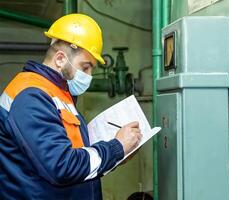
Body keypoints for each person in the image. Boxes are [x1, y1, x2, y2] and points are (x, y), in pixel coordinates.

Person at [0, 13, 142, 199]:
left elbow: (77, 155)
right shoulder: (31, 96)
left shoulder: (58, 93)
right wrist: (115, 148)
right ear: (60, 59)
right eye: (85, 67)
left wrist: (117, 155)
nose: (89, 76)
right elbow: (61, 166)